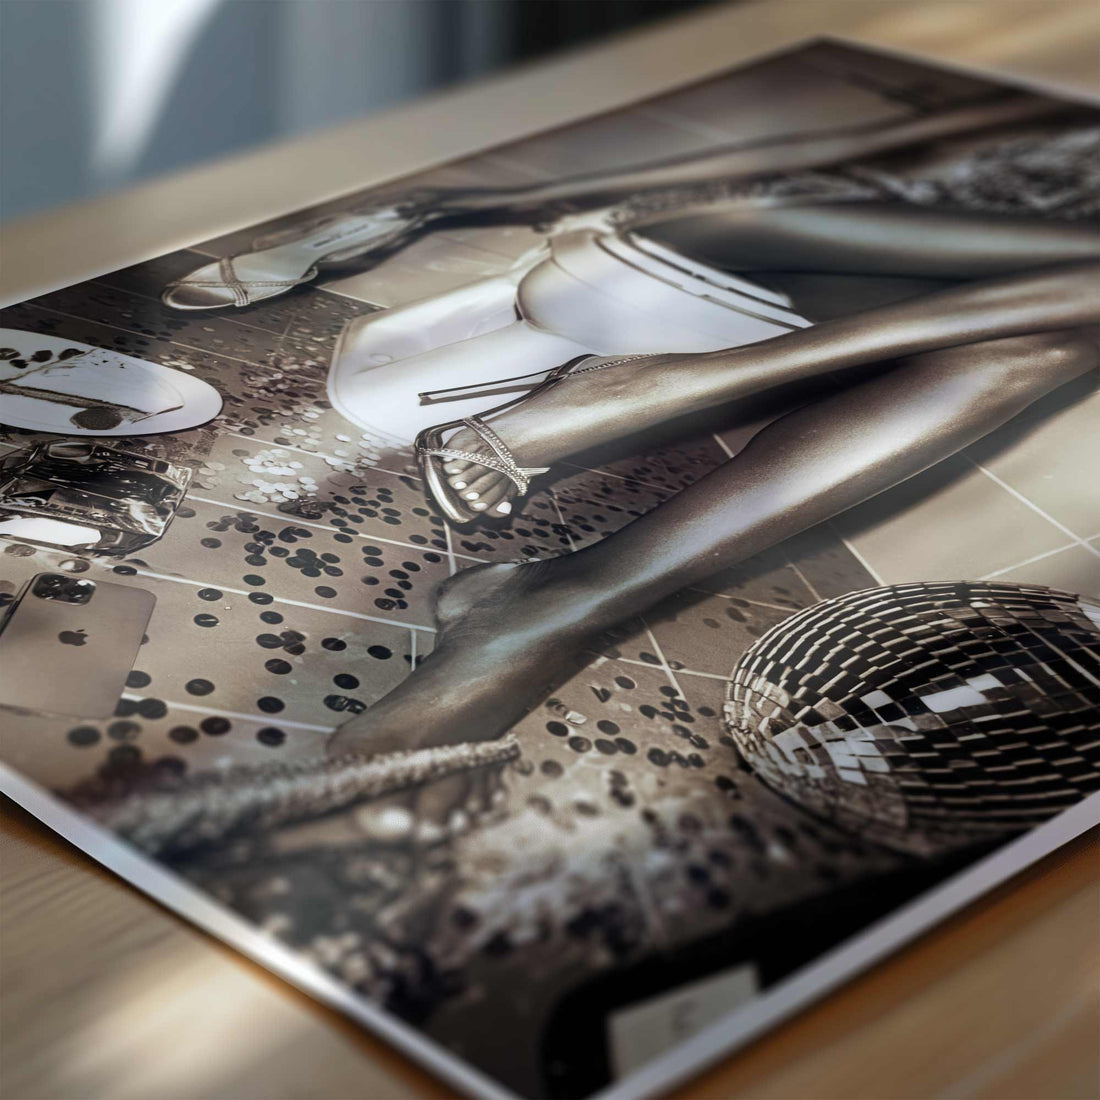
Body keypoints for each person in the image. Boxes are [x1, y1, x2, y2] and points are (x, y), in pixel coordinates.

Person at [181, 93, 1100, 843]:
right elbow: (870, 140)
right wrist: (439, 202)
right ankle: (627, 446)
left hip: (939, 306)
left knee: (1040, 346)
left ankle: (555, 605)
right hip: (784, 227)